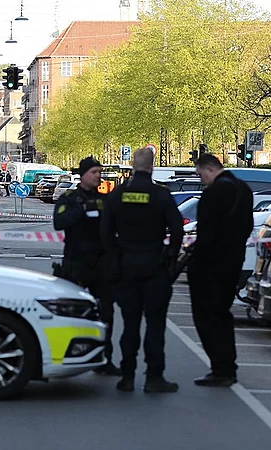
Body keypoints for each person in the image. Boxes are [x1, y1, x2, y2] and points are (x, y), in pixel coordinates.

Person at [101, 147, 184, 393]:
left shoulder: (118, 195)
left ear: (132, 166)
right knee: (155, 325)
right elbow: (177, 229)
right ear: (152, 167)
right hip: (154, 267)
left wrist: (115, 256)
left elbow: (105, 231)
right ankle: (154, 377)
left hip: (126, 266)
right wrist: (169, 256)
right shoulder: (161, 195)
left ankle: (127, 376)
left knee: (130, 325)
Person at [188, 153, 253, 387]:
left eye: (200, 175)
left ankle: (220, 368)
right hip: (234, 263)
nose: (202, 180)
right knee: (223, 316)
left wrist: (194, 261)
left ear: (208, 169)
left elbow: (205, 235)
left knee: (206, 317)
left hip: (210, 267)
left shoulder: (213, 194)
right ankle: (228, 367)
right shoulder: (243, 189)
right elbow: (248, 226)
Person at [53, 156, 122, 376]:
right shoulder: (70, 198)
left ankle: (104, 358)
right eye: (94, 172)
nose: (98, 176)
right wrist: (81, 210)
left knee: (106, 314)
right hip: (77, 263)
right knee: (70, 312)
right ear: (83, 175)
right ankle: (65, 356)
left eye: (99, 172)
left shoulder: (105, 200)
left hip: (102, 264)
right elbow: (59, 223)